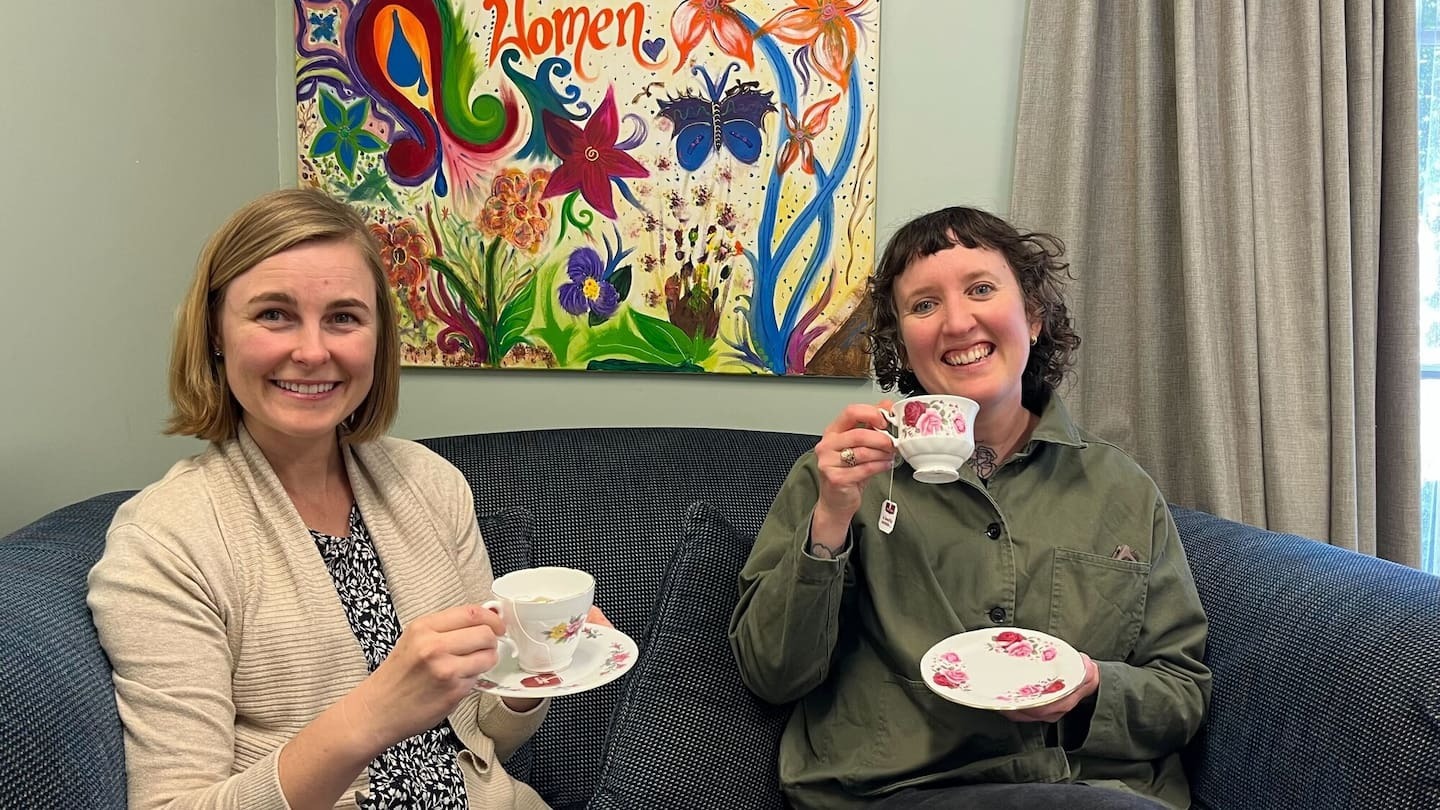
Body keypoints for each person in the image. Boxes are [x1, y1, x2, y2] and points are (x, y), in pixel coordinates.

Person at [88, 188, 594, 809]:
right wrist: (375, 713)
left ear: (377, 340)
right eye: (274, 314)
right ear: (216, 332)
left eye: (344, 318)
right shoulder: (167, 539)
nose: (312, 351)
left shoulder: (430, 484)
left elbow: (483, 742)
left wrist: (533, 673)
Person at [729, 207, 1211, 810]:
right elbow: (772, 674)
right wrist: (830, 521)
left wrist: (1091, 685)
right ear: (903, 344)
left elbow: (1181, 692)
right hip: (899, 792)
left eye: (981, 289)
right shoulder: (839, 476)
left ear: (1032, 316)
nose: (958, 322)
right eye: (924, 305)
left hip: (1087, 789)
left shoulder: (1120, 488)